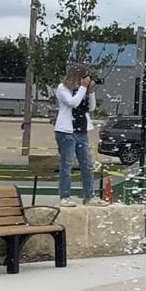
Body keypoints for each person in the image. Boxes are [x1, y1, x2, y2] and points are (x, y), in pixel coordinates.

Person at [53, 65, 96, 204]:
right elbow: (73, 103)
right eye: (85, 77)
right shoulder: (62, 88)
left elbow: (91, 108)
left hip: (81, 131)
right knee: (67, 164)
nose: (86, 80)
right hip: (66, 132)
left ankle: (89, 196)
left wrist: (90, 92)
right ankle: (64, 196)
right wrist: (83, 88)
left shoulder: (82, 91)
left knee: (87, 164)